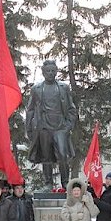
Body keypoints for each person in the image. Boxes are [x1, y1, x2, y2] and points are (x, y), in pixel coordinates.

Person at [25, 60, 77, 189]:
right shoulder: (36, 89)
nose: (50, 73)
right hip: (43, 127)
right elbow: (30, 109)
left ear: (56, 72)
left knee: (62, 155)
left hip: (60, 127)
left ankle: (65, 183)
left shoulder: (63, 87)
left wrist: (68, 125)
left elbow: (71, 108)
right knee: (46, 156)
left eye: (53, 71)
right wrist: (29, 129)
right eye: (48, 71)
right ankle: (48, 183)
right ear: (43, 72)